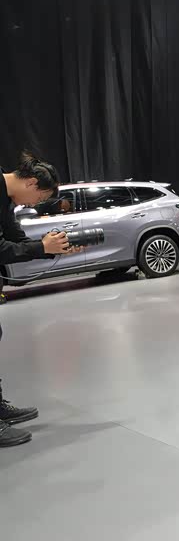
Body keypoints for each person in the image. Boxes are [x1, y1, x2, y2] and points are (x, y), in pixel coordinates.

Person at [0, 151, 77, 447]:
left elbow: (16, 240)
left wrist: (52, 247)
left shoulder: (6, 198)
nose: (34, 205)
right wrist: (41, 248)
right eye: (40, 198)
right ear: (32, 183)